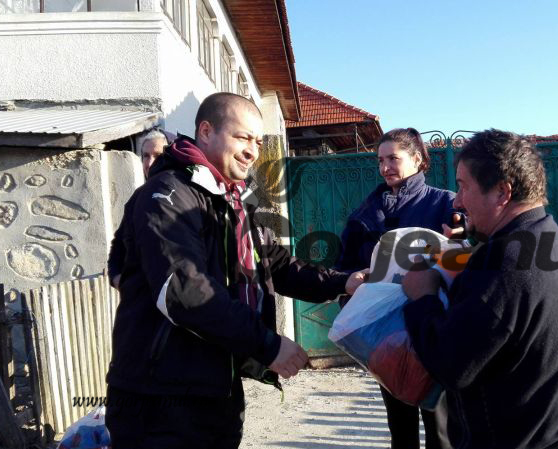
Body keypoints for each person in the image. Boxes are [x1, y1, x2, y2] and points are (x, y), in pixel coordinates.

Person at [105, 92, 367, 448]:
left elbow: (275, 264)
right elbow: (184, 291)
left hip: (215, 385)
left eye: (258, 141)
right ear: (206, 131)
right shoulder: (168, 195)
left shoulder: (236, 198)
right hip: (160, 397)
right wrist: (268, 345)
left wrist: (342, 282)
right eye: (242, 137)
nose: (253, 150)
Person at [401, 129, 558, 449]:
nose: (458, 201)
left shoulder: (506, 261)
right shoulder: (545, 237)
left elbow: (450, 363)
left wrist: (422, 296)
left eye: (463, 187)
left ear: (502, 193)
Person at [336, 127, 455, 449]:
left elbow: (466, 263)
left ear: (417, 160)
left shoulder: (446, 205)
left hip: (435, 328)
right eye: (380, 160)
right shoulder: (365, 214)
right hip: (387, 335)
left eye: (393, 158)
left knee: (441, 428)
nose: (385, 166)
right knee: (400, 428)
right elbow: (345, 267)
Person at [108, 128, 170, 288]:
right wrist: (117, 278)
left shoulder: (184, 194)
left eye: (157, 155)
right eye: (146, 156)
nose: (149, 163)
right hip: (140, 303)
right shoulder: (137, 198)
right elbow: (118, 245)